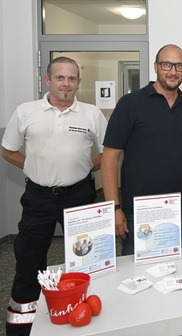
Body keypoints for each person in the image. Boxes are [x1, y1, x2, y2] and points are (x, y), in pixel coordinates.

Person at [2, 56, 107, 336]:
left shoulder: (92, 114)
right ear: (47, 79)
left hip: (79, 196)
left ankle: (87, 318)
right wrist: (35, 166)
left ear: (78, 83)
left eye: (72, 78)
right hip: (38, 198)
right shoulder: (26, 112)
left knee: (87, 261)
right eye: (60, 77)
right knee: (29, 263)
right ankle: (22, 327)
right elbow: (8, 149)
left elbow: (107, 153)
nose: (66, 84)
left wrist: (85, 167)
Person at [101, 44, 182, 256]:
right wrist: (114, 208)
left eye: (179, 66)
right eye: (167, 64)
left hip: (181, 207)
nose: (173, 71)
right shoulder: (130, 104)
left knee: (178, 268)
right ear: (156, 67)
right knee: (136, 275)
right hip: (139, 210)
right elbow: (109, 157)